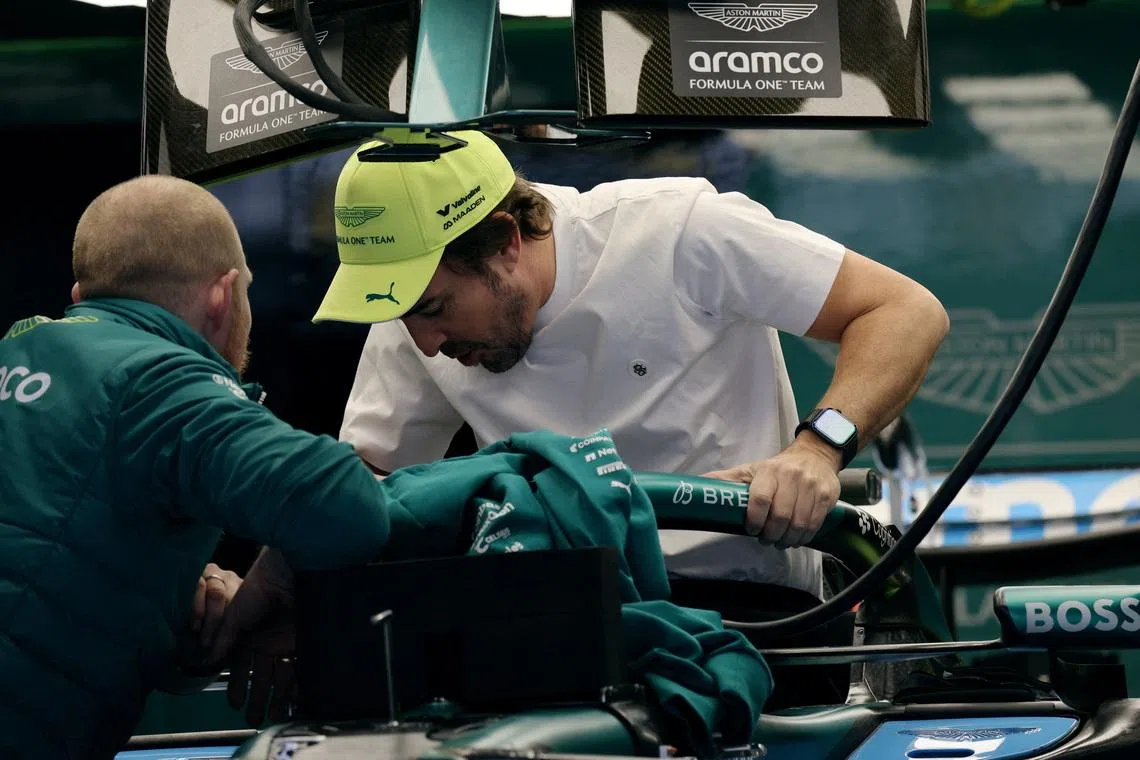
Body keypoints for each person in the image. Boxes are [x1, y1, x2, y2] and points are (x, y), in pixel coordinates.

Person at [316, 129, 950, 599]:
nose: (424, 342)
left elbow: (903, 311)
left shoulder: (678, 232)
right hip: (545, 607)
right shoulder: (414, 315)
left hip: (746, 603)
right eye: (403, 316)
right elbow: (367, 485)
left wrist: (816, 452)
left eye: (433, 308)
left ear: (507, 241)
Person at [0, 174, 403, 759]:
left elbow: (46, 552)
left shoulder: (17, 354)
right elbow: (344, 503)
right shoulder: (159, 382)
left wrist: (181, 596)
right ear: (223, 295)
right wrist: (274, 588)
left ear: (81, 297)